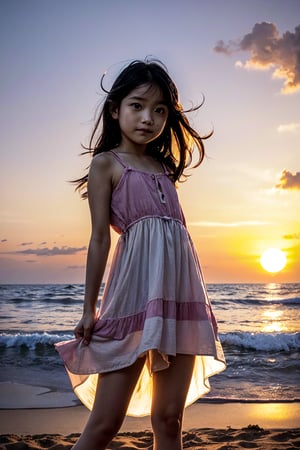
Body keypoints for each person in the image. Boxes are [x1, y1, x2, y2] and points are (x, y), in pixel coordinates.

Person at [56, 58, 226, 450]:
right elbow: (100, 239)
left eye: (160, 110)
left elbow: (174, 237)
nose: (148, 118)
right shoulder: (106, 164)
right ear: (115, 110)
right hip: (133, 297)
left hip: (181, 299)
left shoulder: (165, 168)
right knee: (105, 423)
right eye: (137, 105)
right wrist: (89, 309)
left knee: (169, 419)